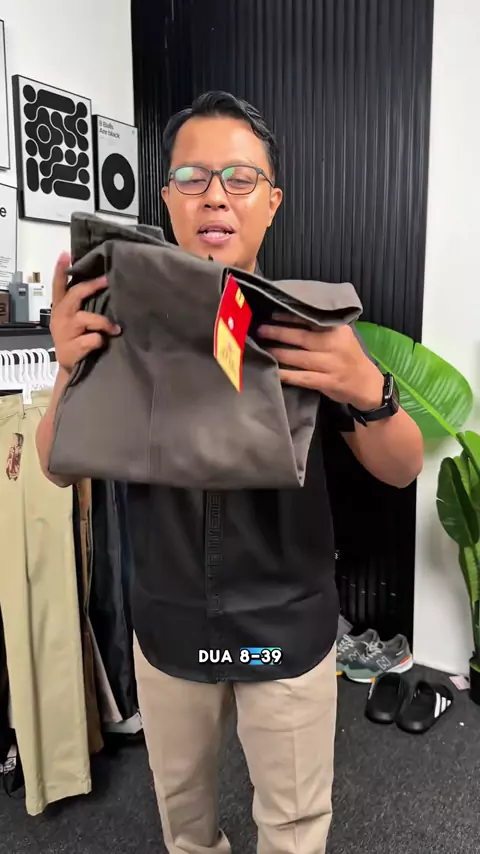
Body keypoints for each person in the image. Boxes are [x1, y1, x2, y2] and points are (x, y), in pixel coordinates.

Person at [36, 91, 423, 854]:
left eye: (240, 178)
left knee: (294, 831)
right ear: (166, 199)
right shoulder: (121, 325)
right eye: (193, 176)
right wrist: (68, 368)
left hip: (283, 631)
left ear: (271, 202)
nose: (215, 194)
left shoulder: (310, 330)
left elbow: (402, 468)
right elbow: (54, 466)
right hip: (171, 625)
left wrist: (367, 388)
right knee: (184, 828)